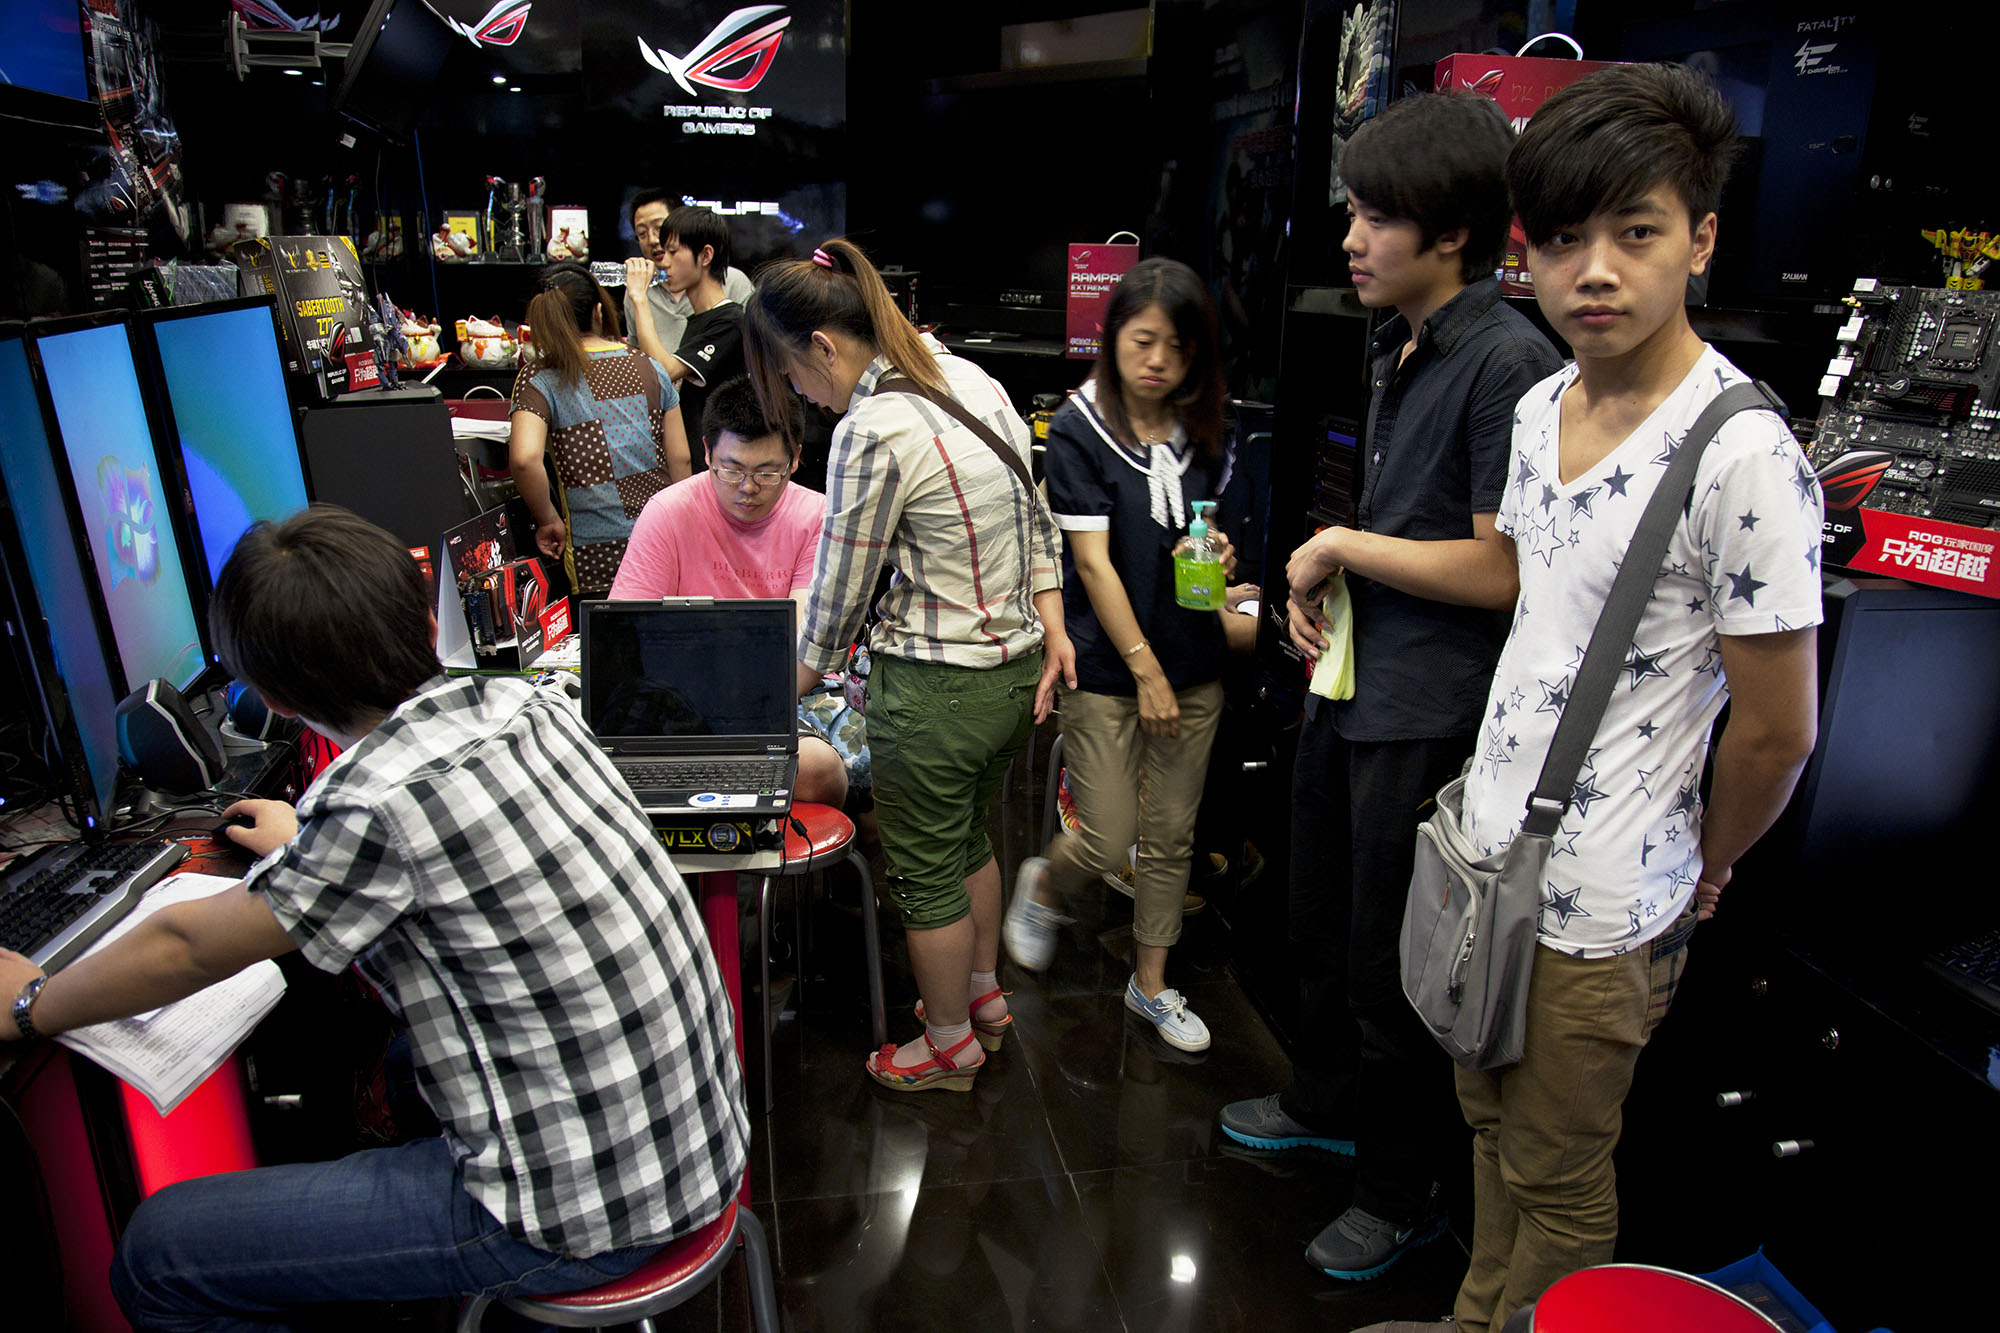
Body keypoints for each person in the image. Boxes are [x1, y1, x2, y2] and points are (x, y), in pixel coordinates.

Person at [0, 505, 749, 1330]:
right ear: (427, 616)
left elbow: (187, 944)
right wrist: (307, 844)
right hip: (700, 1152)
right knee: (400, 1060)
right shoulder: (525, 706)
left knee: (158, 1251)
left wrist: (34, 1002)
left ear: (278, 698)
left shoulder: (373, 805)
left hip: (578, 1221)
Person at [1361, 64, 1823, 1333]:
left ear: (1701, 238)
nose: (1595, 272)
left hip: (1608, 898)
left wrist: (1706, 863)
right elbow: (1534, 602)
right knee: (1484, 1124)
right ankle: (1472, 1320)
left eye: (1636, 232)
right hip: (1485, 842)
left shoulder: (1743, 454)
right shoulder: (1535, 405)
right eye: (1562, 241)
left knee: (1558, 1174)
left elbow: (1779, 729)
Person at [1218, 92, 1562, 1283]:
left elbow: (1503, 565)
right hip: (1352, 690)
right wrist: (1327, 594)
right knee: (1315, 917)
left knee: (1391, 961)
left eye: (1374, 217)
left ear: (1450, 231)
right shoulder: (1400, 338)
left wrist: (1338, 550)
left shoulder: (1510, 361)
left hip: (1427, 716)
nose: (1352, 240)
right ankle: (1323, 1101)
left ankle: (1398, 1191)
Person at [741, 238, 1074, 1094]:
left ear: (821, 345)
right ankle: (984, 998)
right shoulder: (972, 380)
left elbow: (837, 608)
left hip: (932, 690)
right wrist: (1053, 625)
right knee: (971, 841)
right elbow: (1039, 523)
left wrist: (770, 690)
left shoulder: (873, 427)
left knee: (924, 872)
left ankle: (949, 1045)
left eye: (794, 378)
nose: (802, 401)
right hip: (1010, 679)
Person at [1001, 257, 1234, 1055]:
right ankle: (1044, 881)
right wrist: (1146, 671)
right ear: (1114, 340)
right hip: (1108, 668)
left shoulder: (1206, 431)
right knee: (1105, 838)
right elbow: (1093, 563)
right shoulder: (1078, 427)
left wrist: (1219, 555)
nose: (1158, 360)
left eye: (1176, 345)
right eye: (1142, 340)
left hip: (1194, 662)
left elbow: (1193, 534)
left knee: (1170, 835)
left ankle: (1152, 983)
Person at [610, 375, 858, 808]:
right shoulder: (668, 513)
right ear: (706, 452)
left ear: (796, 458)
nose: (747, 487)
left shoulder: (816, 516)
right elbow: (626, 630)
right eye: (732, 469)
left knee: (822, 771)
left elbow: (802, 642)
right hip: (680, 693)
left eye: (767, 472)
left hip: (782, 689)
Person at [509, 260, 691, 595]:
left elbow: (524, 459)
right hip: (661, 547)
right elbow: (680, 460)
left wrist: (549, 520)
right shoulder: (650, 367)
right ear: (598, 310)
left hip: (593, 560)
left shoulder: (539, 378)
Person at [624, 205, 745, 471]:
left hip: (723, 468)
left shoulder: (731, 320)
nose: (662, 261)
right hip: (698, 463)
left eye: (673, 252)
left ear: (705, 255)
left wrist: (639, 298)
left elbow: (665, 371)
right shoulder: (699, 320)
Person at [623, 187, 755, 362]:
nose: (654, 240)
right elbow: (637, 357)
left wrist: (639, 299)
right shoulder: (637, 289)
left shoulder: (730, 305)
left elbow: (666, 371)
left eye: (660, 229)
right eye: (642, 234)